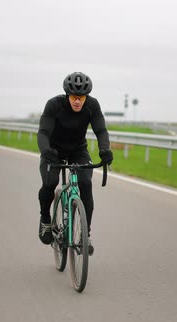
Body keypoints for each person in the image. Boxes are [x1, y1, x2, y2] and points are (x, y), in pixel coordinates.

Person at [37, 72, 113, 255]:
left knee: (85, 183)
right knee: (49, 182)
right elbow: (43, 133)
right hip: (53, 151)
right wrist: (46, 150)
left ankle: (86, 235)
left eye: (81, 97)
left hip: (77, 151)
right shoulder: (54, 105)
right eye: (74, 97)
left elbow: (101, 130)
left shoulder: (92, 106)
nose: (77, 101)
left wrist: (104, 150)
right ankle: (46, 219)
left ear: (86, 96)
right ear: (67, 95)